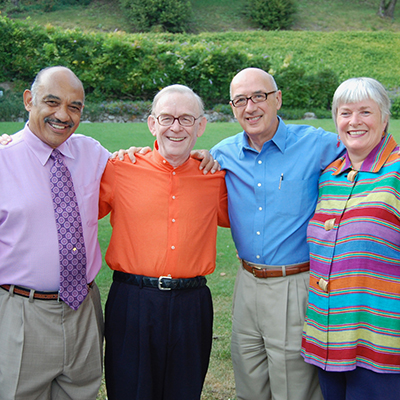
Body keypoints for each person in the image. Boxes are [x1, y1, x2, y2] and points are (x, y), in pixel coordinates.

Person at [210, 67, 345, 400]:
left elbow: (366, 147)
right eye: (240, 100)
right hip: (245, 284)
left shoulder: (318, 144)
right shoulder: (222, 153)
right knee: (248, 379)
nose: (250, 107)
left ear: (278, 99)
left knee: (293, 388)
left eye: (259, 96)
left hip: (294, 284)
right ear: (232, 108)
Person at [98, 84, 230, 400]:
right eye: (167, 118)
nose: (175, 127)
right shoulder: (120, 168)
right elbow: (73, 206)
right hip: (133, 302)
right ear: (152, 123)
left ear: (201, 126)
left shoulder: (215, 177)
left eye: (186, 119)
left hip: (192, 304)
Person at [0, 66, 110, 399]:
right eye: (52, 102)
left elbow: (144, 171)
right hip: (22, 313)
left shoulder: (92, 153)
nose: (63, 115)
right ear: (29, 101)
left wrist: (197, 157)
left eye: (74, 106)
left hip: (85, 311)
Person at [301, 77, 400, 400]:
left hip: (382, 345)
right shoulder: (330, 176)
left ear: (385, 118)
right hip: (327, 341)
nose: (354, 122)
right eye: (345, 113)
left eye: (365, 112)